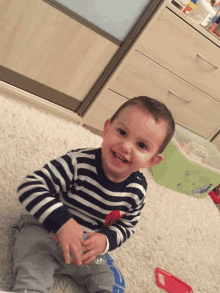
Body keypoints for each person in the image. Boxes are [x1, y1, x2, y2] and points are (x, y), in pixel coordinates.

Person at [11, 96, 175, 293]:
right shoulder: (78, 162)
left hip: (86, 247)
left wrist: (104, 240)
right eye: (122, 132)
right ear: (107, 128)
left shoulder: (137, 190)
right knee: (32, 273)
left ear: (152, 160)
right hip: (47, 232)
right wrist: (63, 223)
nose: (125, 146)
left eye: (141, 145)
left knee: (107, 280)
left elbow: (127, 225)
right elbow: (30, 186)